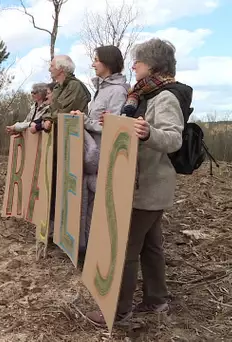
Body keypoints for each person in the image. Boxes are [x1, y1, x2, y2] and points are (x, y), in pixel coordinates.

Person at [85, 38, 186, 327]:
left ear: (152, 65)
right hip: (147, 185)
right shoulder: (140, 95)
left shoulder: (164, 98)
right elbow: (130, 130)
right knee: (152, 246)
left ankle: (118, 310)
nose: (133, 66)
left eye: (138, 62)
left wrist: (147, 133)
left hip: (148, 186)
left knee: (127, 247)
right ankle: (157, 299)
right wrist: (113, 124)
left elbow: (173, 138)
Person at [70, 46, 130, 258]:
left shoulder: (118, 91)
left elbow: (113, 127)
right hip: (92, 155)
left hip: (103, 157)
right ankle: (85, 247)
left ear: (107, 62)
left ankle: (100, 254)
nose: (93, 64)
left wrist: (84, 120)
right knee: (88, 202)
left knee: (99, 204)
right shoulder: (101, 89)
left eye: (96, 60)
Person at [42, 55, 92, 232]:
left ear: (61, 69)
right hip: (56, 141)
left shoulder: (75, 87)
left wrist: (48, 119)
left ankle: (68, 229)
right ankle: (53, 225)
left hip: (70, 142)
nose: (49, 69)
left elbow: (65, 111)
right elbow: (51, 109)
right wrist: (47, 118)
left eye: (52, 66)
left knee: (67, 186)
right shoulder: (57, 87)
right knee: (53, 181)